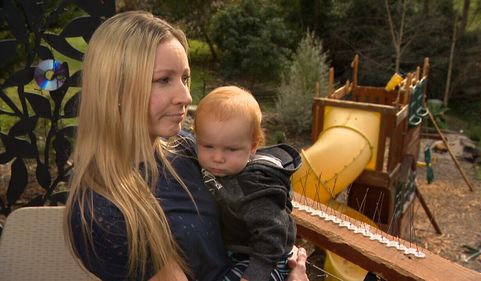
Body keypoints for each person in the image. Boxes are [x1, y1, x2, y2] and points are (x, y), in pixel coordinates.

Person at [63, 10, 309, 281]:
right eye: (164, 80)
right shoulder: (104, 212)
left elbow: (252, 200)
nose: (186, 96)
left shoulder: (185, 148)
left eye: (185, 78)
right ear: (116, 90)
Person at [193, 86, 302, 281]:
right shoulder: (223, 168)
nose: (217, 157)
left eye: (231, 149)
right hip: (237, 253)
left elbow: (273, 235)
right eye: (208, 146)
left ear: (253, 147)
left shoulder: (255, 186)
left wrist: (253, 276)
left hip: (266, 261)